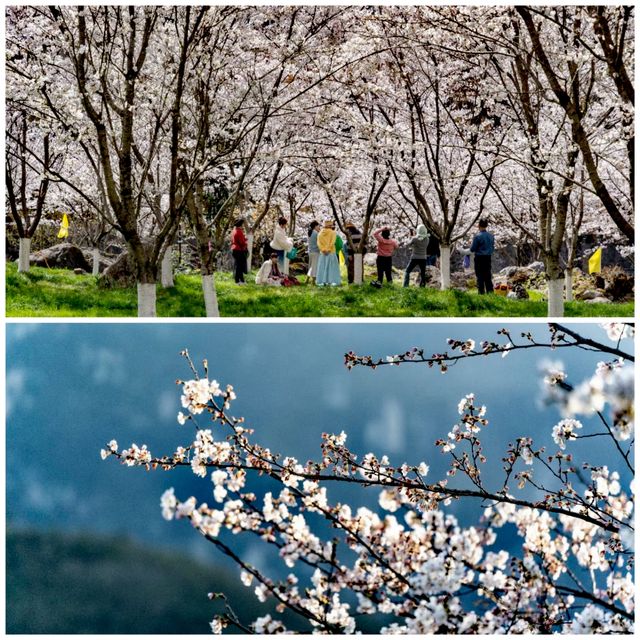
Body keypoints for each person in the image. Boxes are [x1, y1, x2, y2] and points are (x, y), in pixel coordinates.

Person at [470, 218, 495, 294]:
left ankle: (481, 293)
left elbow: (472, 249)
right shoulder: (491, 236)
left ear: (479, 225)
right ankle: (490, 292)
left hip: (479, 258)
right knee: (488, 275)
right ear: (486, 225)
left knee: (480, 276)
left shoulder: (477, 236)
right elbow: (492, 247)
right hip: (488, 258)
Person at [316, 220, 341, 286]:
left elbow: (318, 243)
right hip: (331, 252)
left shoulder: (320, 233)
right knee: (331, 267)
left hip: (322, 253)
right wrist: (328, 249)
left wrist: (323, 250)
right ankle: (331, 281)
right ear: (331, 226)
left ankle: (322, 281)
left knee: (323, 267)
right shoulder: (333, 233)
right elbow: (332, 242)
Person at [230, 218, 248, 284]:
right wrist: (246, 242)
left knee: (238, 265)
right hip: (239, 250)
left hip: (234, 249)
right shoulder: (239, 231)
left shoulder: (233, 231)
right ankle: (237, 280)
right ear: (240, 225)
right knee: (239, 266)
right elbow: (242, 242)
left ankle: (241, 280)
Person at [307, 220, 320, 284]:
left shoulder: (309, 232)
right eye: (318, 226)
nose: (319, 227)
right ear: (315, 226)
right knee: (315, 267)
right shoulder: (316, 233)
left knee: (310, 266)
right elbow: (319, 243)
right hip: (316, 251)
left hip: (310, 251)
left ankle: (307, 280)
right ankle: (313, 281)